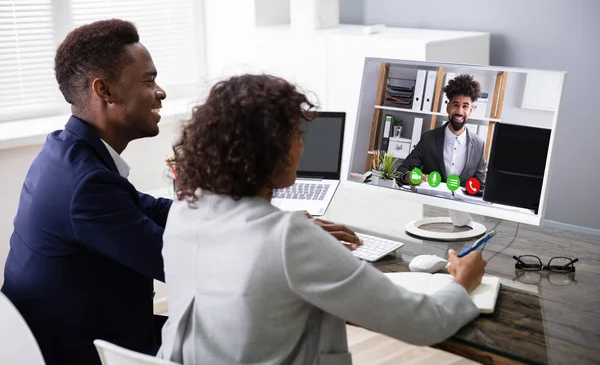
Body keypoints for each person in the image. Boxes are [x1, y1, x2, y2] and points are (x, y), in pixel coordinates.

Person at [1, 19, 360, 365]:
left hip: (66, 335)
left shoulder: (67, 152)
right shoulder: (84, 185)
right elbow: (183, 262)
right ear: (104, 90)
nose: (161, 92)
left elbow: (153, 209)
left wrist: (265, 223)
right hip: (84, 351)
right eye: (149, 81)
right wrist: (277, 236)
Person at [158, 74, 487, 364]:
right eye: (296, 133)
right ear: (276, 148)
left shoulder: (184, 213)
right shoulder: (289, 238)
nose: (302, 143)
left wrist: (294, 234)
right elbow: (423, 322)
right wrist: (463, 281)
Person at [397, 74, 486, 187]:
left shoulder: (479, 145)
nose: (459, 111)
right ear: (448, 107)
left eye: (465, 106)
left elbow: (482, 187)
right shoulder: (428, 138)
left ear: (470, 110)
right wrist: (408, 177)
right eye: (455, 105)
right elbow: (402, 170)